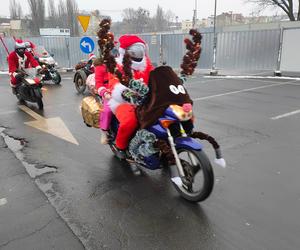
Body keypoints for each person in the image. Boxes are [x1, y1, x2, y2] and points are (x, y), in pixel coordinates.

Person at [108, 35, 154, 158]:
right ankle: (120, 146)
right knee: (130, 121)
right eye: (135, 51)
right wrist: (124, 93)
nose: (138, 54)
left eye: (140, 50)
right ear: (126, 52)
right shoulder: (117, 65)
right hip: (123, 101)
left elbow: (156, 77)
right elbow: (113, 83)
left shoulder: (147, 64)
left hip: (146, 100)